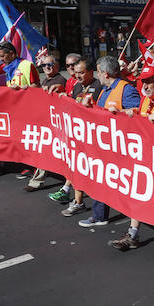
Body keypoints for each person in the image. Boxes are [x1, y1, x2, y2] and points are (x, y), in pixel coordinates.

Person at [108, 65, 154, 250]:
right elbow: (140, 121)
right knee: (138, 191)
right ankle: (132, 234)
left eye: (149, 81)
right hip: (147, 158)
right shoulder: (145, 100)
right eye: (143, 81)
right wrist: (124, 112)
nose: (145, 85)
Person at [71, 56, 141, 229]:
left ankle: (133, 220)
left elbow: (139, 112)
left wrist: (121, 111)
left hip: (122, 147)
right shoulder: (105, 90)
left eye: (99, 72)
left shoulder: (126, 89)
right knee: (100, 180)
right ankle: (99, 215)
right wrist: (90, 104)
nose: (97, 75)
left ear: (106, 73)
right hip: (105, 145)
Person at [51, 59, 102, 212]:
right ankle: (77, 202)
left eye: (81, 73)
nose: (77, 76)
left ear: (90, 72)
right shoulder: (77, 86)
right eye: (76, 72)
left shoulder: (99, 86)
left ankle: (98, 210)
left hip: (94, 137)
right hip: (77, 135)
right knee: (76, 168)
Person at [21, 56, 67, 190]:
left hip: (58, 124)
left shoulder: (61, 80)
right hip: (48, 123)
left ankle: (69, 184)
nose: (46, 67)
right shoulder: (46, 80)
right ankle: (36, 181)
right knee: (44, 152)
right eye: (44, 65)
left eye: (50, 64)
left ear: (57, 66)